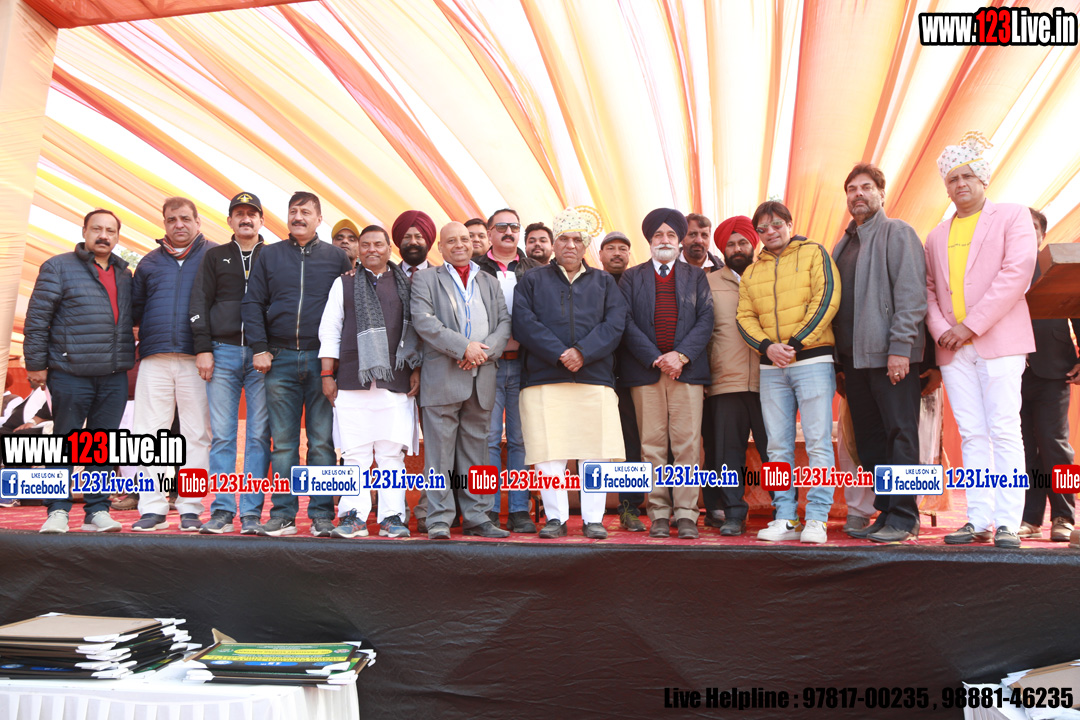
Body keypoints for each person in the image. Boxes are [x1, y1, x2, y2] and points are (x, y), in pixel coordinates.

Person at [925, 132, 1037, 549]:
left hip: (999, 342)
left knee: (1004, 430)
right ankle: (978, 519)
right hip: (953, 350)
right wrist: (942, 330)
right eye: (952, 179)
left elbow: (1017, 273)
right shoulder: (936, 235)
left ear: (983, 179)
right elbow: (929, 290)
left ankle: (1008, 522)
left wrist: (969, 327)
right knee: (972, 433)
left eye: (967, 176)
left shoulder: (1012, 216)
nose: (960, 184)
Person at [242, 191, 353, 537]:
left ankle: (322, 515)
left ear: (319, 219)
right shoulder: (269, 255)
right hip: (279, 358)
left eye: (306, 212)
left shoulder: (336, 257)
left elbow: (347, 310)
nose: (298, 217)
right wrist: (259, 348)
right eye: (293, 211)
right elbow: (252, 303)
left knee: (321, 442)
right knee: (284, 443)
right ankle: (283, 514)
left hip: (322, 361)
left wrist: (338, 361)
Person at [514, 206, 628, 539]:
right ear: (554, 243)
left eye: (577, 240)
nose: (570, 245)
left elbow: (614, 324)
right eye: (563, 239)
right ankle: (556, 518)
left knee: (596, 452)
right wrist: (560, 353)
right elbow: (524, 323)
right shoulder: (533, 280)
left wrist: (583, 353)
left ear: (585, 245)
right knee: (550, 454)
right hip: (544, 377)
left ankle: (594, 519)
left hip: (594, 377)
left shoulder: (604, 282)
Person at [832, 164, 927, 544]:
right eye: (851, 188)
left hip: (891, 357)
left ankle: (905, 517)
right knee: (871, 441)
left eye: (866, 187)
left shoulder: (897, 232)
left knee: (901, 434)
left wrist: (900, 349)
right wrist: (839, 363)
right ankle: (887, 511)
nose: (858, 194)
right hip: (855, 362)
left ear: (881, 194)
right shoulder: (843, 244)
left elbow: (911, 295)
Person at [24, 209, 134, 533]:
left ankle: (97, 511)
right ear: (84, 231)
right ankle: (56, 510)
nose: (104, 235)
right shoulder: (58, 267)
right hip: (70, 371)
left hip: (113, 374)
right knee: (65, 442)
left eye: (110, 231)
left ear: (117, 237)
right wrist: (35, 364)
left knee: (102, 444)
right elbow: (37, 318)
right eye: (97, 229)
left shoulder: (125, 274)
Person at [737, 201, 840, 544]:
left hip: (811, 361)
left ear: (790, 224)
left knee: (817, 442)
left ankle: (817, 518)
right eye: (762, 228)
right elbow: (744, 317)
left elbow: (827, 298)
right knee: (777, 447)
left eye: (777, 224)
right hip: (771, 367)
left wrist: (795, 343)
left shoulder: (814, 253)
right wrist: (767, 347)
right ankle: (785, 516)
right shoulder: (752, 272)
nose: (770, 232)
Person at [320, 224, 421, 539]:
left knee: (391, 456)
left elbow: (418, 332)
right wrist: (327, 374)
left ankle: (392, 518)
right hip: (353, 379)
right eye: (365, 245)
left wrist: (416, 369)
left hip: (396, 380)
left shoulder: (408, 284)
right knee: (355, 454)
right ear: (358, 250)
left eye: (378, 244)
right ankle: (353, 517)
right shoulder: (344, 283)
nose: (372, 250)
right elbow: (330, 329)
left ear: (390, 249)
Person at [411, 222, 511, 540]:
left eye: (465, 239)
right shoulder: (426, 279)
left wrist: (481, 353)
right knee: (439, 454)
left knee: (478, 452)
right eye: (451, 240)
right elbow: (424, 322)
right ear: (440, 247)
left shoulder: (489, 281)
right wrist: (464, 347)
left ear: (474, 243)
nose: (460, 245)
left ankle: (477, 516)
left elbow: (504, 323)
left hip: (482, 377)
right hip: (442, 378)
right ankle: (439, 518)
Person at [619, 208, 713, 540]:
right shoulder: (632, 277)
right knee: (652, 446)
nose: (665, 240)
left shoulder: (696, 276)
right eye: (658, 234)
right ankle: (659, 512)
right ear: (649, 240)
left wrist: (681, 356)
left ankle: (686, 513)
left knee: (687, 446)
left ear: (679, 241)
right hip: (647, 371)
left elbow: (706, 319)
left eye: (671, 234)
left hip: (686, 372)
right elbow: (625, 321)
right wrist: (657, 358)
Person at [189, 192, 271, 535]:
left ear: (261, 220)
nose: (246, 219)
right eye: (239, 214)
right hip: (221, 352)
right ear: (230, 220)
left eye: (252, 213)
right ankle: (222, 510)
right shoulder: (214, 256)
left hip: (262, 356)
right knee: (222, 436)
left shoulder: (273, 256)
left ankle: (251, 513)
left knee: (259, 436)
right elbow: (199, 301)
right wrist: (203, 348)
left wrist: (270, 348)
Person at [131, 197, 214, 531]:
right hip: (155, 357)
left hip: (199, 357)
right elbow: (136, 309)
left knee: (197, 434)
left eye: (185, 218)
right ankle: (152, 507)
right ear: (164, 223)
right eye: (171, 220)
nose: (178, 224)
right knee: (148, 435)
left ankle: (190, 507)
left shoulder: (214, 256)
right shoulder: (149, 262)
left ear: (197, 221)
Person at [704, 216, 770, 536]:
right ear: (723, 249)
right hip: (725, 381)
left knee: (774, 452)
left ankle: (785, 509)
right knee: (727, 455)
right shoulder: (708, 282)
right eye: (730, 244)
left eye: (743, 242)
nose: (737, 248)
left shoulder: (769, 274)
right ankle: (733, 513)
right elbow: (702, 333)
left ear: (753, 243)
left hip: (770, 381)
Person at [475, 208, 540, 532]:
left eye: (514, 226)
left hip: (525, 365)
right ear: (489, 233)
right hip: (488, 365)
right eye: (501, 226)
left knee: (520, 440)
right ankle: (486, 509)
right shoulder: (474, 268)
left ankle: (519, 509)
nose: (508, 232)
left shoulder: (535, 270)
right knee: (486, 439)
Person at [1018, 208, 1078, 542]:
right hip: (1011, 371)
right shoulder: (1002, 266)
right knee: (1024, 448)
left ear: (1042, 235)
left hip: (1053, 369)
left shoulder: (1056, 266)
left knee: (1055, 445)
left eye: (1033, 228)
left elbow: (1077, 307)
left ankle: (1064, 516)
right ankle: (1030, 518)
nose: (1027, 232)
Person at [599, 231, 645, 531]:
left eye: (623, 248)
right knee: (593, 442)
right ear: (600, 254)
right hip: (594, 374)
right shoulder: (589, 282)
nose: (617, 253)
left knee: (632, 442)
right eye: (611, 248)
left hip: (631, 375)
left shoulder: (640, 282)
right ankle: (590, 510)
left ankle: (630, 507)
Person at [393, 210, 438, 278]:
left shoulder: (442, 279)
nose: (413, 242)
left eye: (418, 237)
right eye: (407, 237)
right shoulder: (385, 279)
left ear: (427, 240)